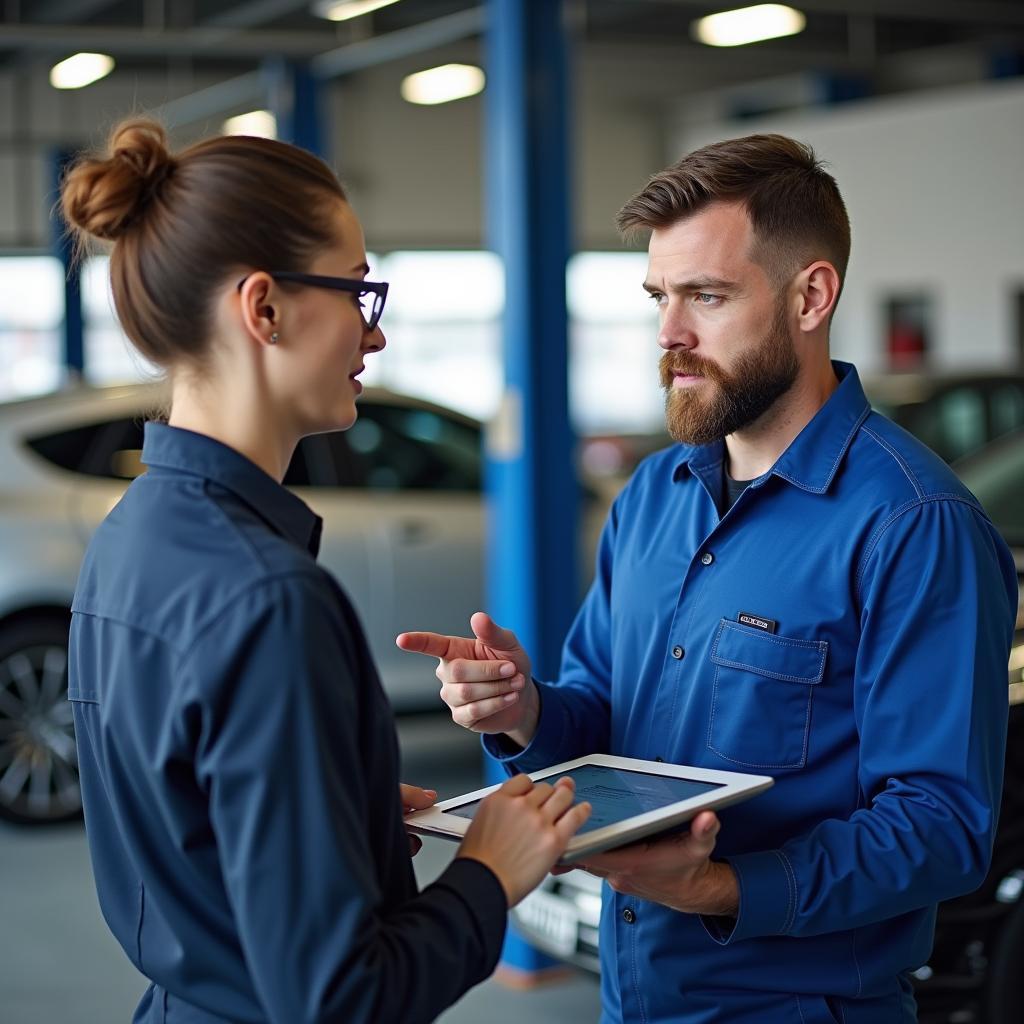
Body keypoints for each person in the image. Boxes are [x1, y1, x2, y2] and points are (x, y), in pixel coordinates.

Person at [397, 133, 1019, 1023]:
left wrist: (725, 887)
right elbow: (605, 718)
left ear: (811, 295)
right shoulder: (655, 494)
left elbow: (941, 825)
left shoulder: (914, 525)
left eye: (707, 296)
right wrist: (524, 710)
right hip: (636, 997)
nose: (669, 334)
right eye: (659, 296)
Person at [61, 119, 590, 1024]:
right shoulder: (268, 598)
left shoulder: (129, 536)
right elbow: (343, 998)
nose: (373, 337)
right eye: (357, 291)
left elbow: (185, 818)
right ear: (263, 309)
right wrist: (489, 874)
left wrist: (338, 808)